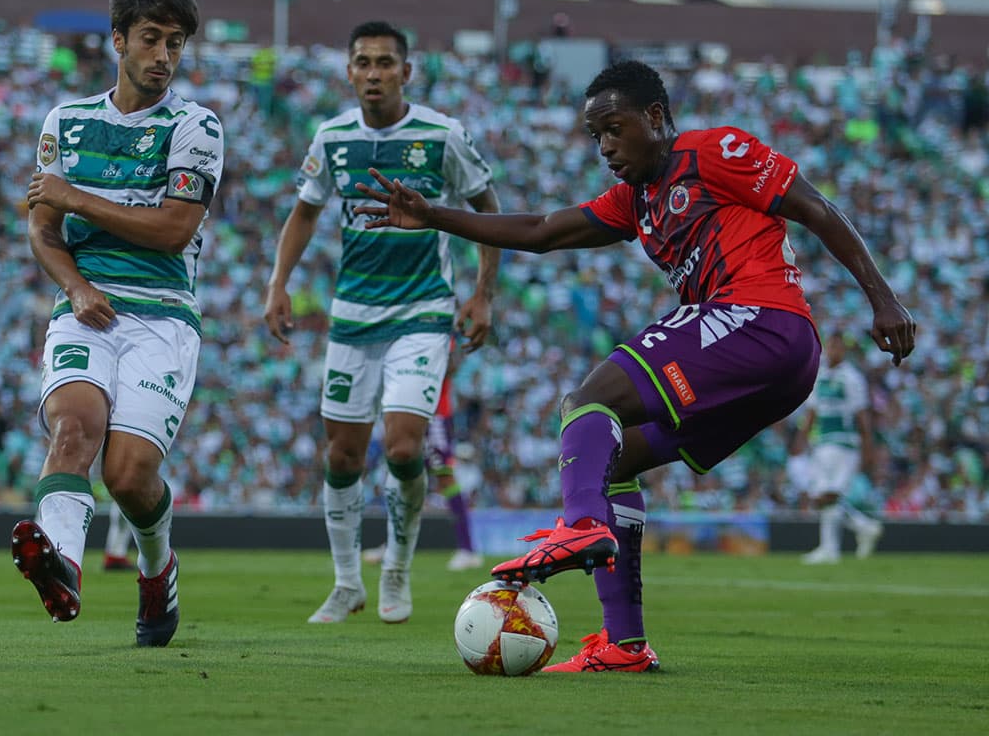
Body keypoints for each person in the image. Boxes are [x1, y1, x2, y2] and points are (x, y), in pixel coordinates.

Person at [355, 59, 915, 671]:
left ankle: (580, 525)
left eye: (614, 129)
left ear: (655, 117)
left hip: (761, 319)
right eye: (596, 136)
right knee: (616, 459)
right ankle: (625, 645)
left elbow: (815, 207)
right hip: (771, 366)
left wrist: (881, 296)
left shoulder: (711, 152)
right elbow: (544, 230)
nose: (605, 147)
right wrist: (436, 216)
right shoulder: (635, 199)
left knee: (587, 401)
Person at [264, 21, 502, 625]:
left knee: (403, 444)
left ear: (406, 72)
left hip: (422, 311)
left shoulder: (441, 135)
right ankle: (347, 582)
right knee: (341, 455)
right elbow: (303, 214)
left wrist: (483, 295)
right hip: (352, 317)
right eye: (363, 62)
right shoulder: (333, 137)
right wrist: (278, 284)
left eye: (385, 63)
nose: (374, 73)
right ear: (349, 72)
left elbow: (488, 208)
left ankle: (397, 566)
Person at [12, 0, 224, 647]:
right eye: (152, 40)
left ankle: (158, 568)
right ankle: (63, 567)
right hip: (85, 309)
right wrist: (75, 288)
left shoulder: (195, 126)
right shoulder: (66, 121)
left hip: (162, 316)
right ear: (118, 41)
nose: (164, 56)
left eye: (177, 44)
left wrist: (77, 198)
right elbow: (42, 232)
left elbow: (172, 231)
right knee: (73, 430)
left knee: (129, 475)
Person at [363, 339, 483, 571]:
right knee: (405, 477)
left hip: (435, 416)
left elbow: (452, 364)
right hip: (412, 412)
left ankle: (468, 549)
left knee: (445, 477)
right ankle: (393, 546)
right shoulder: (413, 332)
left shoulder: (439, 332)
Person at [794, 331, 884, 564]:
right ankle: (861, 529)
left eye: (837, 347)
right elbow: (812, 411)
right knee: (822, 496)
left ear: (844, 351)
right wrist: (801, 438)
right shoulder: (820, 374)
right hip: (822, 443)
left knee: (829, 496)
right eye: (830, 347)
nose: (832, 351)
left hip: (844, 444)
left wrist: (868, 448)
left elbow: (862, 416)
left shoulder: (851, 379)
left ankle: (831, 548)